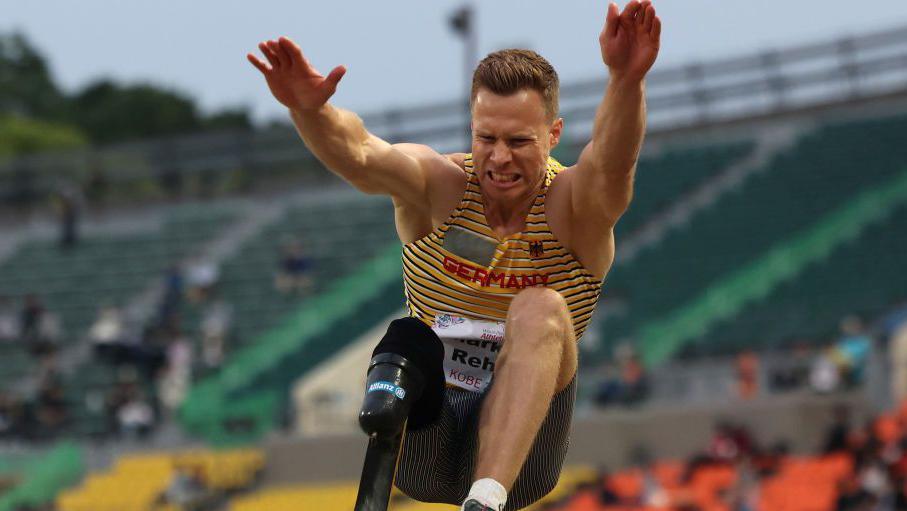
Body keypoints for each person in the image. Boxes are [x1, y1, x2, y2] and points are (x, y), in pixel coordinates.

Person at [248, 1, 660, 509]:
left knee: (540, 307)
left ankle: (483, 501)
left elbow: (613, 165)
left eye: (518, 141)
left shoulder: (574, 209)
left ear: (553, 135)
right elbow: (361, 155)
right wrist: (310, 110)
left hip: (522, 457)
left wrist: (626, 79)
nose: (499, 157)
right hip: (429, 437)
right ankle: (379, 445)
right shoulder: (441, 186)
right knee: (410, 335)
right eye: (486, 138)